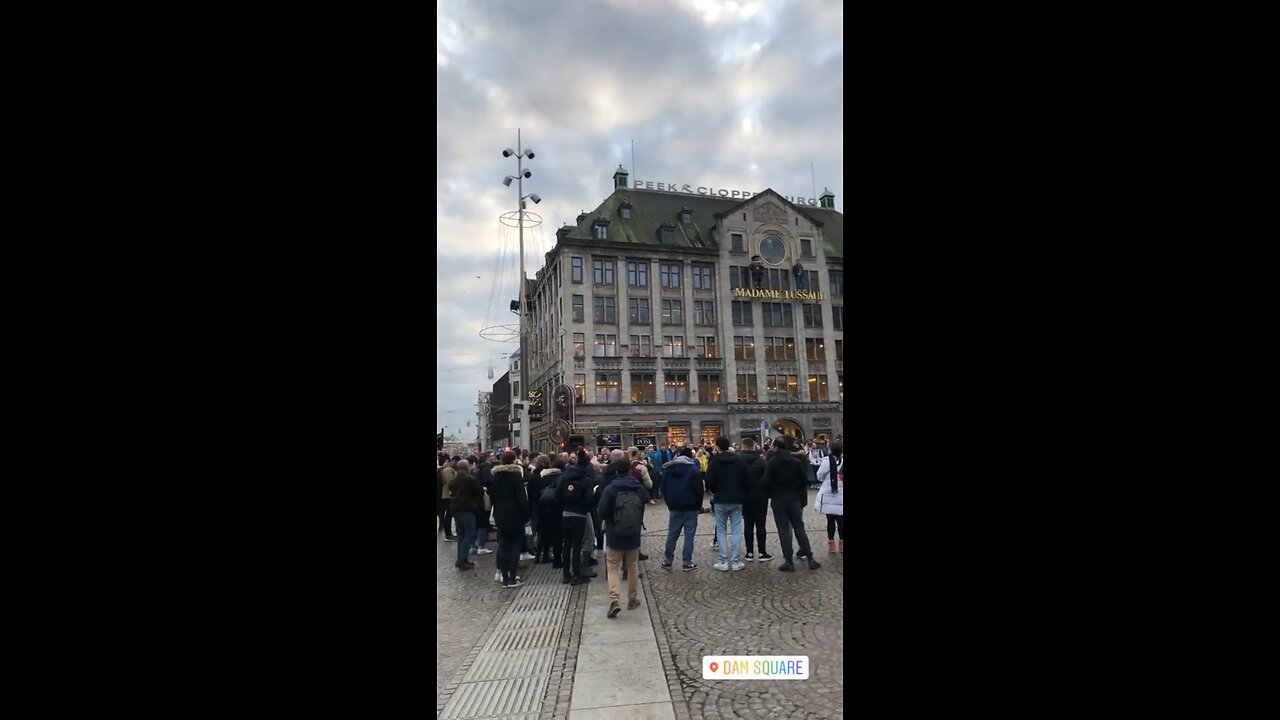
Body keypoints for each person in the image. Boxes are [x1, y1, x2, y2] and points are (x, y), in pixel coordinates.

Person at [597, 461, 649, 617]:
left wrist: (611, 521)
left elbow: (602, 510)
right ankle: (632, 599)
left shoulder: (611, 489)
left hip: (614, 532)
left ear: (616, 472)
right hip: (633, 532)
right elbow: (644, 501)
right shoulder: (638, 487)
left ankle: (614, 599)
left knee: (613, 566)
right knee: (632, 565)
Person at [764, 435, 820, 572]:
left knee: (784, 531)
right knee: (799, 528)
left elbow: (765, 482)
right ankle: (810, 558)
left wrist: (772, 492)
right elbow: (804, 480)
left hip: (778, 499)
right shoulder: (795, 462)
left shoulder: (772, 463)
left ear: (777, 447)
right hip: (794, 498)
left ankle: (788, 561)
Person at [705, 436, 748, 571]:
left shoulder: (714, 461)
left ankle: (723, 561)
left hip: (720, 499)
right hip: (736, 498)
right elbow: (747, 479)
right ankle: (736, 561)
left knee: (721, 531)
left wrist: (714, 490)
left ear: (717, 446)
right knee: (736, 530)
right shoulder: (739, 460)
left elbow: (709, 480)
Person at [556, 450, 597, 585]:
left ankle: (566, 575)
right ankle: (577, 575)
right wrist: (585, 509)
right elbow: (589, 500)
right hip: (580, 514)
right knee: (577, 545)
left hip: (565, 514)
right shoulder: (586, 478)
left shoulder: (564, 476)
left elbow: (557, 495)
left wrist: (564, 506)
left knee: (566, 545)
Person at [659, 447, 703, 571]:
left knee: (672, 534)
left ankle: (668, 560)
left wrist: (669, 503)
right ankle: (687, 562)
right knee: (689, 535)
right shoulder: (693, 470)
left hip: (674, 506)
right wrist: (698, 505)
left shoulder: (668, 469)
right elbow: (699, 490)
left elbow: (663, 488)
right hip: (691, 506)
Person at [490, 452, 530, 587]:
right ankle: (513, 577)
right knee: (515, 546)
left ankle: (504, 577)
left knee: (504, 546)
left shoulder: (495, 477)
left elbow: (492, 498)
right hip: (515, 515)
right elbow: (521, 498)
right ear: (513, 460)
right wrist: (526, 516)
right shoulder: (516, 476)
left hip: (500, 515)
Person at [739, 437, 772, 562]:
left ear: (742, 447)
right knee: (761, 525)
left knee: (748, 524)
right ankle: (762, 552)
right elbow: (767, 480)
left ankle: (749, 552)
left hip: (745, 496)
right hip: (760, 496)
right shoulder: (762, 461)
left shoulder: (738, 461)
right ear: (754, 447)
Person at [449, 460, 484, 570]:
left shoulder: (454, 480)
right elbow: (479, 491)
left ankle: (460, 559)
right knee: (469, 534)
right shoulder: (469, 479)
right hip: (467, 509)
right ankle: (463, 560)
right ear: (467, 467)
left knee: (461, 536)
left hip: (456, 509)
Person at [814, 441, 844, 553]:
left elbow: (819, 476)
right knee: (841, 520)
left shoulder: (827, 461)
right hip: (841, 493)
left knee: (830, 520)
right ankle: (842, 544)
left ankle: (831, 544)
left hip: (829, 493)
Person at [535, 459, 564, 567]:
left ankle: (539, 555)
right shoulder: (560, 478)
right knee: (557, 534)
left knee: (542, 532)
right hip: (556, 508)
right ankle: (556, 558)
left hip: (542, 508)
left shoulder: (540, 477)